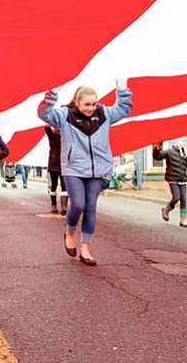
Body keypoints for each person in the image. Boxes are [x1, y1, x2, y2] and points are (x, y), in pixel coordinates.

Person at [38, 80, 132, 266]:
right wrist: (53, 92)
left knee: (90, 207)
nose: (91, 108)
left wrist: (122, 88)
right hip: (73, 168)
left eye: (93, 104)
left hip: (97, 169)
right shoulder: (65, 115)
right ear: (78, 103)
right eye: (86, 104)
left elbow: (124, 107)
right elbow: (43, 113)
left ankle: (86, 248)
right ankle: (69, 230)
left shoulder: (104, 114)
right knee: (78, 203)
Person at [152, 138, 187, 228]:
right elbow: (157, 156)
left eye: (185, 141)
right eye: (182, 141)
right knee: (176, 198)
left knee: (183, 199)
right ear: (176, 142)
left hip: (183, 180)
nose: (184, 143)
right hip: (173, 179)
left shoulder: (186, 153)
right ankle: (166, 209)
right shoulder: (169, 152)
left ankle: (183, 220)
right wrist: (157, 148)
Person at [45, 126, 67, 214]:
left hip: (64, 164)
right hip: (53, 164)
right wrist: (52, 125)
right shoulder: (52, 136)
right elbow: (46, 127)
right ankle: (53, 204)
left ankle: (64, 207)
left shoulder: (67, 136)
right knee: (54, 185)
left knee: (64, 186)